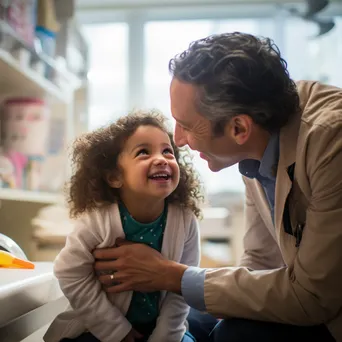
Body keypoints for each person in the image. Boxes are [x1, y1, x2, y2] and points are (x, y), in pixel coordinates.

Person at [93, 32, 342, 342]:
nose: (179, 140)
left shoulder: (331, 143)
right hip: (306, 300)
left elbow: (314, 298)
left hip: (329, 314)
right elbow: (261, 262)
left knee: (232, 335)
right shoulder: (256, 144)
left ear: (239, 128)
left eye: (186, 125)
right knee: (187, 321)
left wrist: (171, 275)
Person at [43, 111, 203, 342]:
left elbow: (182, 288)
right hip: (99, 328)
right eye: (143, 152)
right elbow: (70, 272)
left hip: (162, 329)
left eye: (167, 151)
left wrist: (164, 337)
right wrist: (117, 332)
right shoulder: (96, 221)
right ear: (114, 177)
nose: (161, 159)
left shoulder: (185, 220)